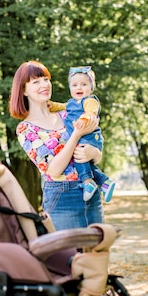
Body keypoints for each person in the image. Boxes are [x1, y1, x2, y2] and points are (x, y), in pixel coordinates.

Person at [9, 60, 105, 230]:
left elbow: (95, 146)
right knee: (69, 255)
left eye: (46, 79)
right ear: (24, 90)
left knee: (97, 251)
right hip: (61, 197)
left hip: (90, 192)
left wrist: (95, 153)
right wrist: (76, 134)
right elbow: (52, 170)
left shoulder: (68, 112)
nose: (44, 84)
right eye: (36, 81)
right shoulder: (26, 129)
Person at [49, 66, 116, 202]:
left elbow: (91, 111)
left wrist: (84, 118)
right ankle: (105, 182)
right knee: (87, 163)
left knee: (78, 156)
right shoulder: (72, 103)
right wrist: (52, 106)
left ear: (91, 88)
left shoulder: (89, 100)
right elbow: (62, 106)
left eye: (84, 84)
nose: (79, 88)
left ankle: (87, 182)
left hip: (89, 136)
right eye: (74, 85)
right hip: (83, 137)